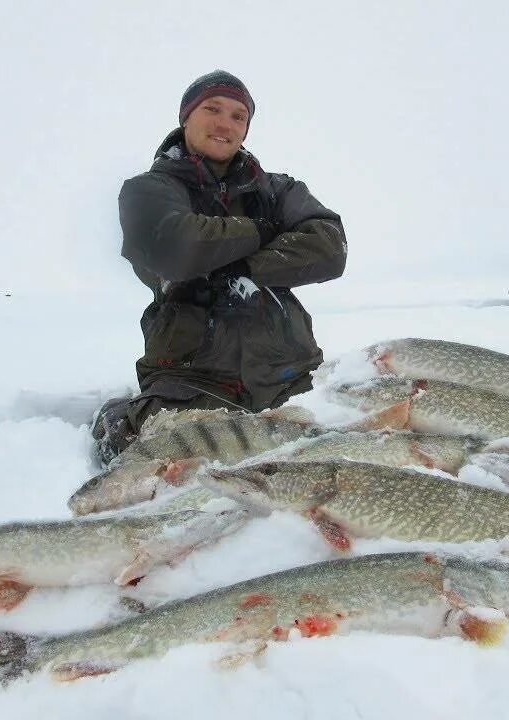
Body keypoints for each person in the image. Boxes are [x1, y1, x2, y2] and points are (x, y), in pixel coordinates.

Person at [92, 70, 347, 465]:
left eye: (238, 116)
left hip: (291, 374)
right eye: (212, 109)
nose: (225, 124)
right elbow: (178, 246)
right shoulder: (147, 190)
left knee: (344, 452)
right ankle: (120, 414)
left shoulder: (279, 189)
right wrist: (264, 230)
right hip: (192, 379)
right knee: (155, 461)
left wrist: (241, 265)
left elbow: (330, 248)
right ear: (185, 117)